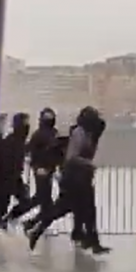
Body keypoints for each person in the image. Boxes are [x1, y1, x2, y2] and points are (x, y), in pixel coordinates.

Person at [27, 106, 109, 254]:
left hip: (82, 177)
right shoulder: (79, 133)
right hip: (73, 177)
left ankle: (93, 242)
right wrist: (88, 164)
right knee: (63, 208)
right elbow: (71, 157)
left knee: (87, 209)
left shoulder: (89, 133)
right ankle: (36, 229)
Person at [7, 108, 60, 230]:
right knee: (42, 200)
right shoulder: (40, 134)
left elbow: (54, 152)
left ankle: (28, 223)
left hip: (46, 170)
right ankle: (23, 221)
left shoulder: (50, 133)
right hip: (42, 170)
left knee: (42, 200)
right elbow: (31, 150)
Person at [0, 113, 31, 229]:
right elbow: (3, 162)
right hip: (6, 179)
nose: (27, 127)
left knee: (25, 201)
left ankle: (5, 219)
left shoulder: (19, 141)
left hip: (14, 178)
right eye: (25, 124)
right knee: (1, 206)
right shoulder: (10, 141)